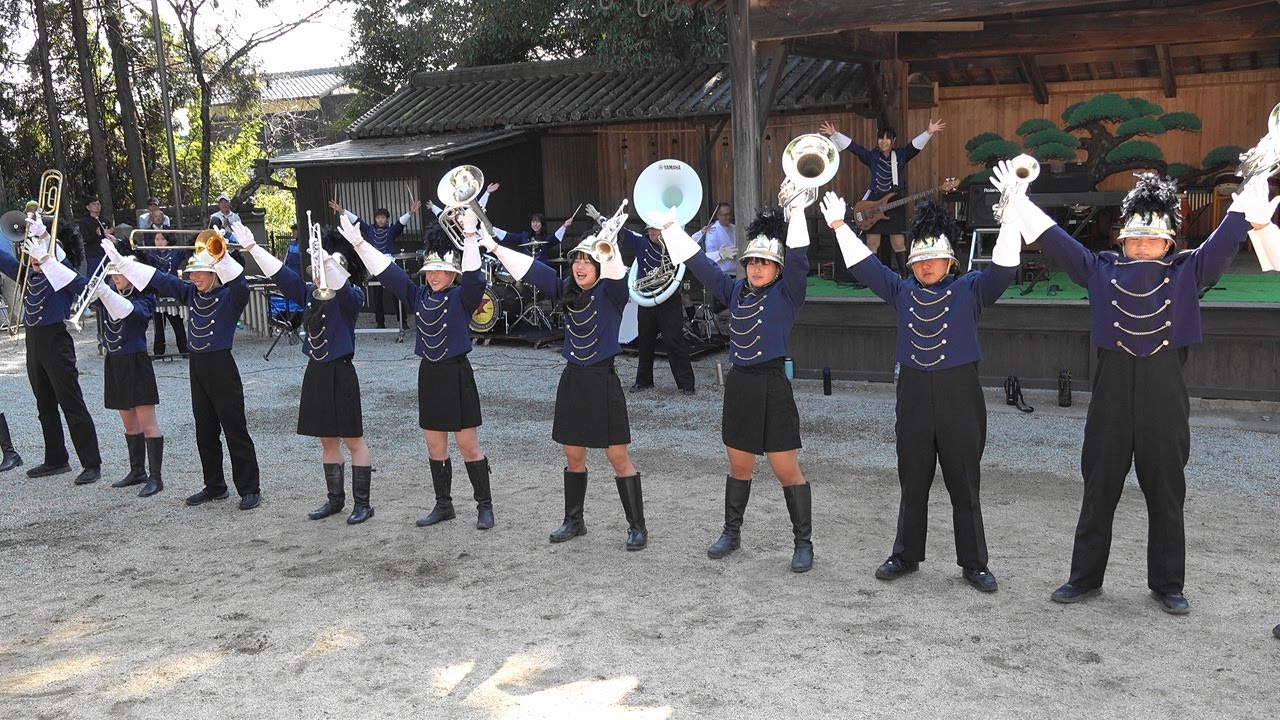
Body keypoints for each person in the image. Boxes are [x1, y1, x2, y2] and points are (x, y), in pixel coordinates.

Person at [996, 164, 1275, 615]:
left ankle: (1168, 584)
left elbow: (1224, 241)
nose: (1143, 245)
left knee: (1166, 487)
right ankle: (1084, 577)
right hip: (1112, 387)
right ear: (1122, 241)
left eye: (1153, 239)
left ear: (1169, 243)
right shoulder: (1100, 269)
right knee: (1099, 483)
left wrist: (1252, 187)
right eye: (1135, 238)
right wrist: (1021, 203)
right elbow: (1059, 244)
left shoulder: (1188, 270)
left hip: (1164, 389)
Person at [827, 194, 1021, 592]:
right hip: (913, 393)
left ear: (951, 261)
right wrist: (840, 228)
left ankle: (974, 562)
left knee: (964, 482)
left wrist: (1013, 218)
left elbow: (1004, 268)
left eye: (934, 259)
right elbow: (866, 268)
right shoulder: (901, 292)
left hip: (959, 395)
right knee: (912, 479)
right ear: (911, 263)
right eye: (918, 260)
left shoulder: (970, 290)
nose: (926, 265)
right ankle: (905, 553)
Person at [657, 191, 814, 572]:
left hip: (773, 385)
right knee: (739, 466)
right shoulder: (735, 291)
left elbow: (799, 260)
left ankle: (803, 541)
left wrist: (796, 213)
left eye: (764, 263)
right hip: (740, 385)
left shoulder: (788, 294)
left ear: (776, 269)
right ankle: (732, 531)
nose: (757, 269)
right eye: (751, 263)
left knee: (785, 469)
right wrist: (672, 231)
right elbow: (699, 264)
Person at [482, 213, 647, 550]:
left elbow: (616, 273)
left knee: (617, 457)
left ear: (599, 266)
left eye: (589, 261)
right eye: (577, 260)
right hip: (573, 379)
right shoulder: (565, 289)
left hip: (603, 381)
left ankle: (636, 526)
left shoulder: (613, 293)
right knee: (573, 455)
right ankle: (575, 520)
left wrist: (611, 245)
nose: (581, 266)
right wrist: (495, 247)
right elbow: (532, 269)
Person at [341, 212, 496, 531]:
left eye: (441, 271)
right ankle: (444, 505)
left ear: (452, 274)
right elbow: (387, 272)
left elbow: (476, 277)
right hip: (430, 375)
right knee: (434, 445)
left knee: (468, 445)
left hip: (456, 374)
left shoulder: (462, 296)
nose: (434, 276)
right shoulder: (418, 295)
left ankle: (484, 505)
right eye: (430, 271)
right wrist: (359, 243)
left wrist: (469, 236)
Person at [102, 222, 264, 511]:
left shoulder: (228, 297)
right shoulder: (190, 295)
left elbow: (241, 285)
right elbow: (161, 280)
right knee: (205, 430)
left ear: (214, 274)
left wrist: (222, 255)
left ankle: (250, 488)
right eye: (192, 273)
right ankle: (215, 485)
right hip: (198, 367)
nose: (195, 277)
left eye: (200, 272)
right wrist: (123, 264)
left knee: (234, 429)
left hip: (221, 367)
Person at [245, 226, 376, 524]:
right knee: (327, 441)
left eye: (327, 268)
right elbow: (281, 274)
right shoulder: (310, 293)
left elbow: (347, 294)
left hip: (341, 372)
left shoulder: (351, 295)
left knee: (354, 440)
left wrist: (330, 263)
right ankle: (335, 500)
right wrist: (254, 248)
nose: (320, 274)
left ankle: (363, 504)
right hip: (316, 371)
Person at [0, 223, 102, 485]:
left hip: (56, 340)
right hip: (34, 342)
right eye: (31, 253)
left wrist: (46, 237)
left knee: (72, 403)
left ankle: (91, 463)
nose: (33, 258)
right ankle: (56, 458)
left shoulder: (60, 275)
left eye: (38, 253)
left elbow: (66, 268)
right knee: (44, 404)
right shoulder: (30, 276)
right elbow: (5, 261)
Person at [819, 118, 946, 275]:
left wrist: (929, 132)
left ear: (893, 141)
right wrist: (835, 134)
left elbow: (914, 147)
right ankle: (872, 276)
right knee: (872, 243)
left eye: (887, 138)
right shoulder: (872, 156)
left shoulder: (900, 155)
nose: (884, 141)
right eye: (881, 138)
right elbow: (855, 148)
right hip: (873, 203)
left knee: (898, 242)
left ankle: (905, 277)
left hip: (895, 202)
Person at [95, 241, 166, 497]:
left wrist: (106, 293)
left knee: (148, 424)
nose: (115, 278)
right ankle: (138, 471)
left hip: (135, 360)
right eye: (112, 273)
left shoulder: (145, 297)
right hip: (115, 362)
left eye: (119, 273)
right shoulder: (109, 295)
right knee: (128, 424)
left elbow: (133, 315)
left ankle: (156, 478)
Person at [615, 220, 695, 395]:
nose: (652, 232)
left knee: (674, 340)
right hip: (646, 299)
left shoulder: (674, 245)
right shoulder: (641, 242)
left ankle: (686, 383)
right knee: (645, 340)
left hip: (669, 299)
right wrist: (600, 218)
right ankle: (644, 381)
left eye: (656, 229)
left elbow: (686, 266)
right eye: (650, 228)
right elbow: (622, 230)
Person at [328, 197, 422, 329]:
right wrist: (341, 210)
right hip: (372, 263)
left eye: (383, 217)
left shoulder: (391, 231)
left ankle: (403, 321)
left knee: (397, 293)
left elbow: (400, 223)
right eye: (378, 217)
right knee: (377, 294)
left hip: (388, 262)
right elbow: (357, 220)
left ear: (387, 219)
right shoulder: (370, 229)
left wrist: (410, 212)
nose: (380, 220)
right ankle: (380, 322)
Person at [146, 231, 189, 357]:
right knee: (158, 326)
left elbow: (189, 250)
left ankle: (184, 349)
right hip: (157, 292)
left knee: (178, 323)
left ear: (168, 240)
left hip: (172, 291)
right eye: (157, 239)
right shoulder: (150, 253)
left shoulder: (175, 251)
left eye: (162, 239)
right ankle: (158, 352)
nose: (159, 242)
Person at [491, 212, 570, 261]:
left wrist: (564, 226)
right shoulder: (525, 236)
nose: (535, 224)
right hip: (527, 267)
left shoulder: (546, 238)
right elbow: (509, 236)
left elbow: (556, 238)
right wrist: (492, 228)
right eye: (533, 222)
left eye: (538, 222)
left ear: (542, 224)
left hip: (542, 267)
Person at [693, 202, 737, 277]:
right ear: (718, 216)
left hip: (737, 272)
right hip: (723, 274)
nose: (728, 217)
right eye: (725, 215)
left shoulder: (734, 228)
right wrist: (720, 254)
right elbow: (708, 257)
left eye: (730, 214)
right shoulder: (712, 231)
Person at [77, 196, 115, 274]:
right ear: (88, 207)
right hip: (93, 254)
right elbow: (86, 239)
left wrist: (109, 234)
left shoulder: (105, 221)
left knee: (109, 274)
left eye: (98, 204)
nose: (97, 206)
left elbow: (111, 237)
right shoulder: (84, 222)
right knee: (94, 275)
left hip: (106, 253)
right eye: (94, 204)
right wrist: (96, 234)